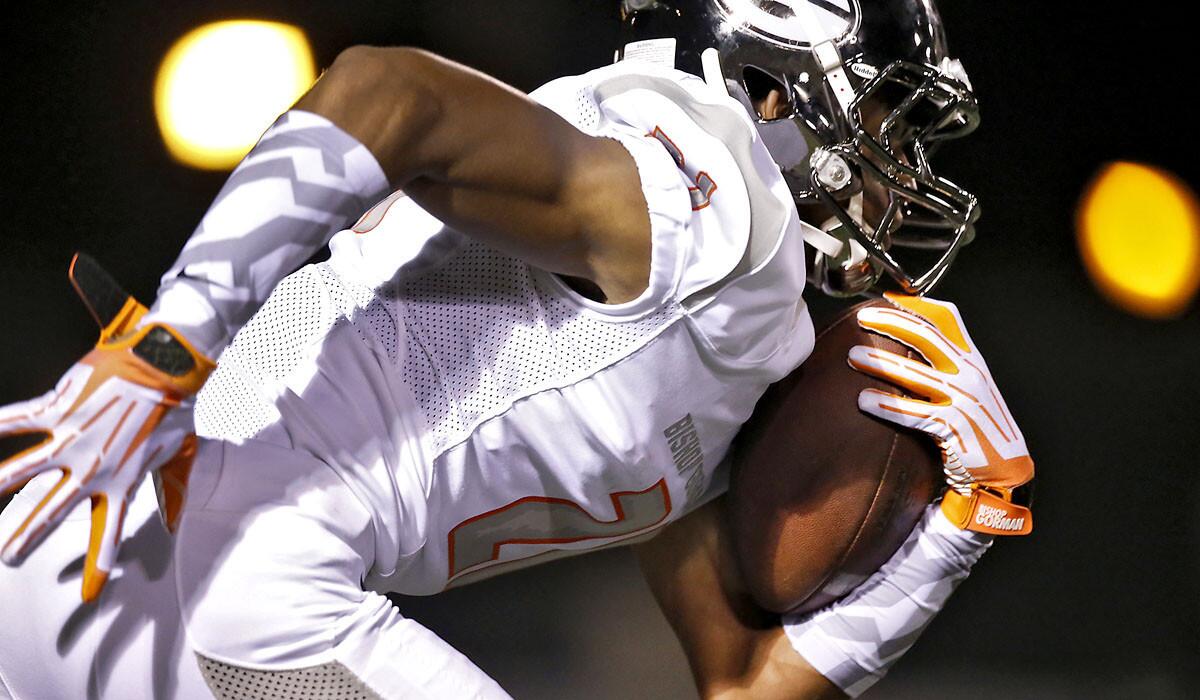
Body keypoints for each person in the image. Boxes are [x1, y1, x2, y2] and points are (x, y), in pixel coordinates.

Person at [0, 1, 1033, 698]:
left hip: (93, 534)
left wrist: (956, 530)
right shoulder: (712, 198)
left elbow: (739, 683)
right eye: (889, 125)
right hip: (209, 559)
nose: (898, 184)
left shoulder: (740, 334)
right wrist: (169, 344)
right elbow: (385, 90)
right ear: (770, 83)